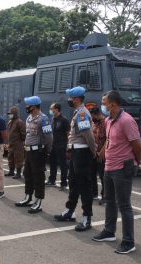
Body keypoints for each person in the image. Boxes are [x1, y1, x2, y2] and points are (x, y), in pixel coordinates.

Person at [92, 91, 141, 254]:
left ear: (113, 104)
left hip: (122, 167)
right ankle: (109, 232)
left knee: (124, 205)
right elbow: (109, 139)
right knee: (109, 201)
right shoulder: (108, 120)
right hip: (109, 166)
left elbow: (138, 145)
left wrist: (136, 162)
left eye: (104, 102)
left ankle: (129, 241)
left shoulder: (127, 121)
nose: (102, 106)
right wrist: (102, 153)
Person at [54, 87, 96, 231]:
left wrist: (93, 151)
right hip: (76, 152)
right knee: (74, 183)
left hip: (83, 153)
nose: (69, 100)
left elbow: (88, 135)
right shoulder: (77, 112)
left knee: (84, 186)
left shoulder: (82, 113)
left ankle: (86, 217)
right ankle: (70, 211)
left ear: (77, 99)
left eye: (71, 98)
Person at [15, 96, 53, 213]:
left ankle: (38, 200)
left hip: (38, 151)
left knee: (38, 177)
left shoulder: (43, 119)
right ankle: (28, 197)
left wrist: (47, 151)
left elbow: (49, 137)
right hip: (29, 151)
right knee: (28, 174)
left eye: (28, 106)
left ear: (34, 106)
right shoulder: (29, 118)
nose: (26, 107)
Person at [46, 103, 70, 190]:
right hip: (52, 145)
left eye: (51, 108)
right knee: (52, 163)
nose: (50, 110)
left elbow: (68, 133)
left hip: (61, 145)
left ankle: (64, 183)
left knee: (63, 164)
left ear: (56, 109)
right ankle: (52, 180)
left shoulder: (64, 120)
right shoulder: (51, 119)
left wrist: (68, 145)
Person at [89, 106, 107, 204]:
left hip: (102, 154)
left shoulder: (105, 122)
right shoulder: (94, 123)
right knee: (92, 174)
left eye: (92, 116)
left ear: (96, 114)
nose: (91, 118)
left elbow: (108, 139)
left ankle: (105, 195)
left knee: (103, 176)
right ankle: (93, 193)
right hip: (94, 153)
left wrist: (102, 152)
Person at [5, 106, 26, 179]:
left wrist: (22, 142)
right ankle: (11, 171)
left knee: (18, 159)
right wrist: (7, 142)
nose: (10, 115)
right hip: (11, 144)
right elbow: (8, 133)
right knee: (10, 158)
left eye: (11, 113)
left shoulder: (19, 122)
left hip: (18, 144)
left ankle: (18, 173)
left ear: (15, 113)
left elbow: (24, 134)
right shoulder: (10, 121)